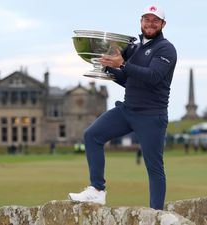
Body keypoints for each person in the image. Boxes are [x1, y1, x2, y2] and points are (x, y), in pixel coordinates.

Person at [68, 4, 177, 210]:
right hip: (128, 110)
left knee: (154, 168)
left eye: (155, 20)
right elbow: (129, 80)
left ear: (163, 24)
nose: (150, 23)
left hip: (151, 116)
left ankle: (156, 214)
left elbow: (153, 77)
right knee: (92, 135)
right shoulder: (134, 47)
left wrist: (122, 65)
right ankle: (97, 191)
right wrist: (106, 68)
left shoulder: (166, 49)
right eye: (146, 19)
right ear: (141, 21)